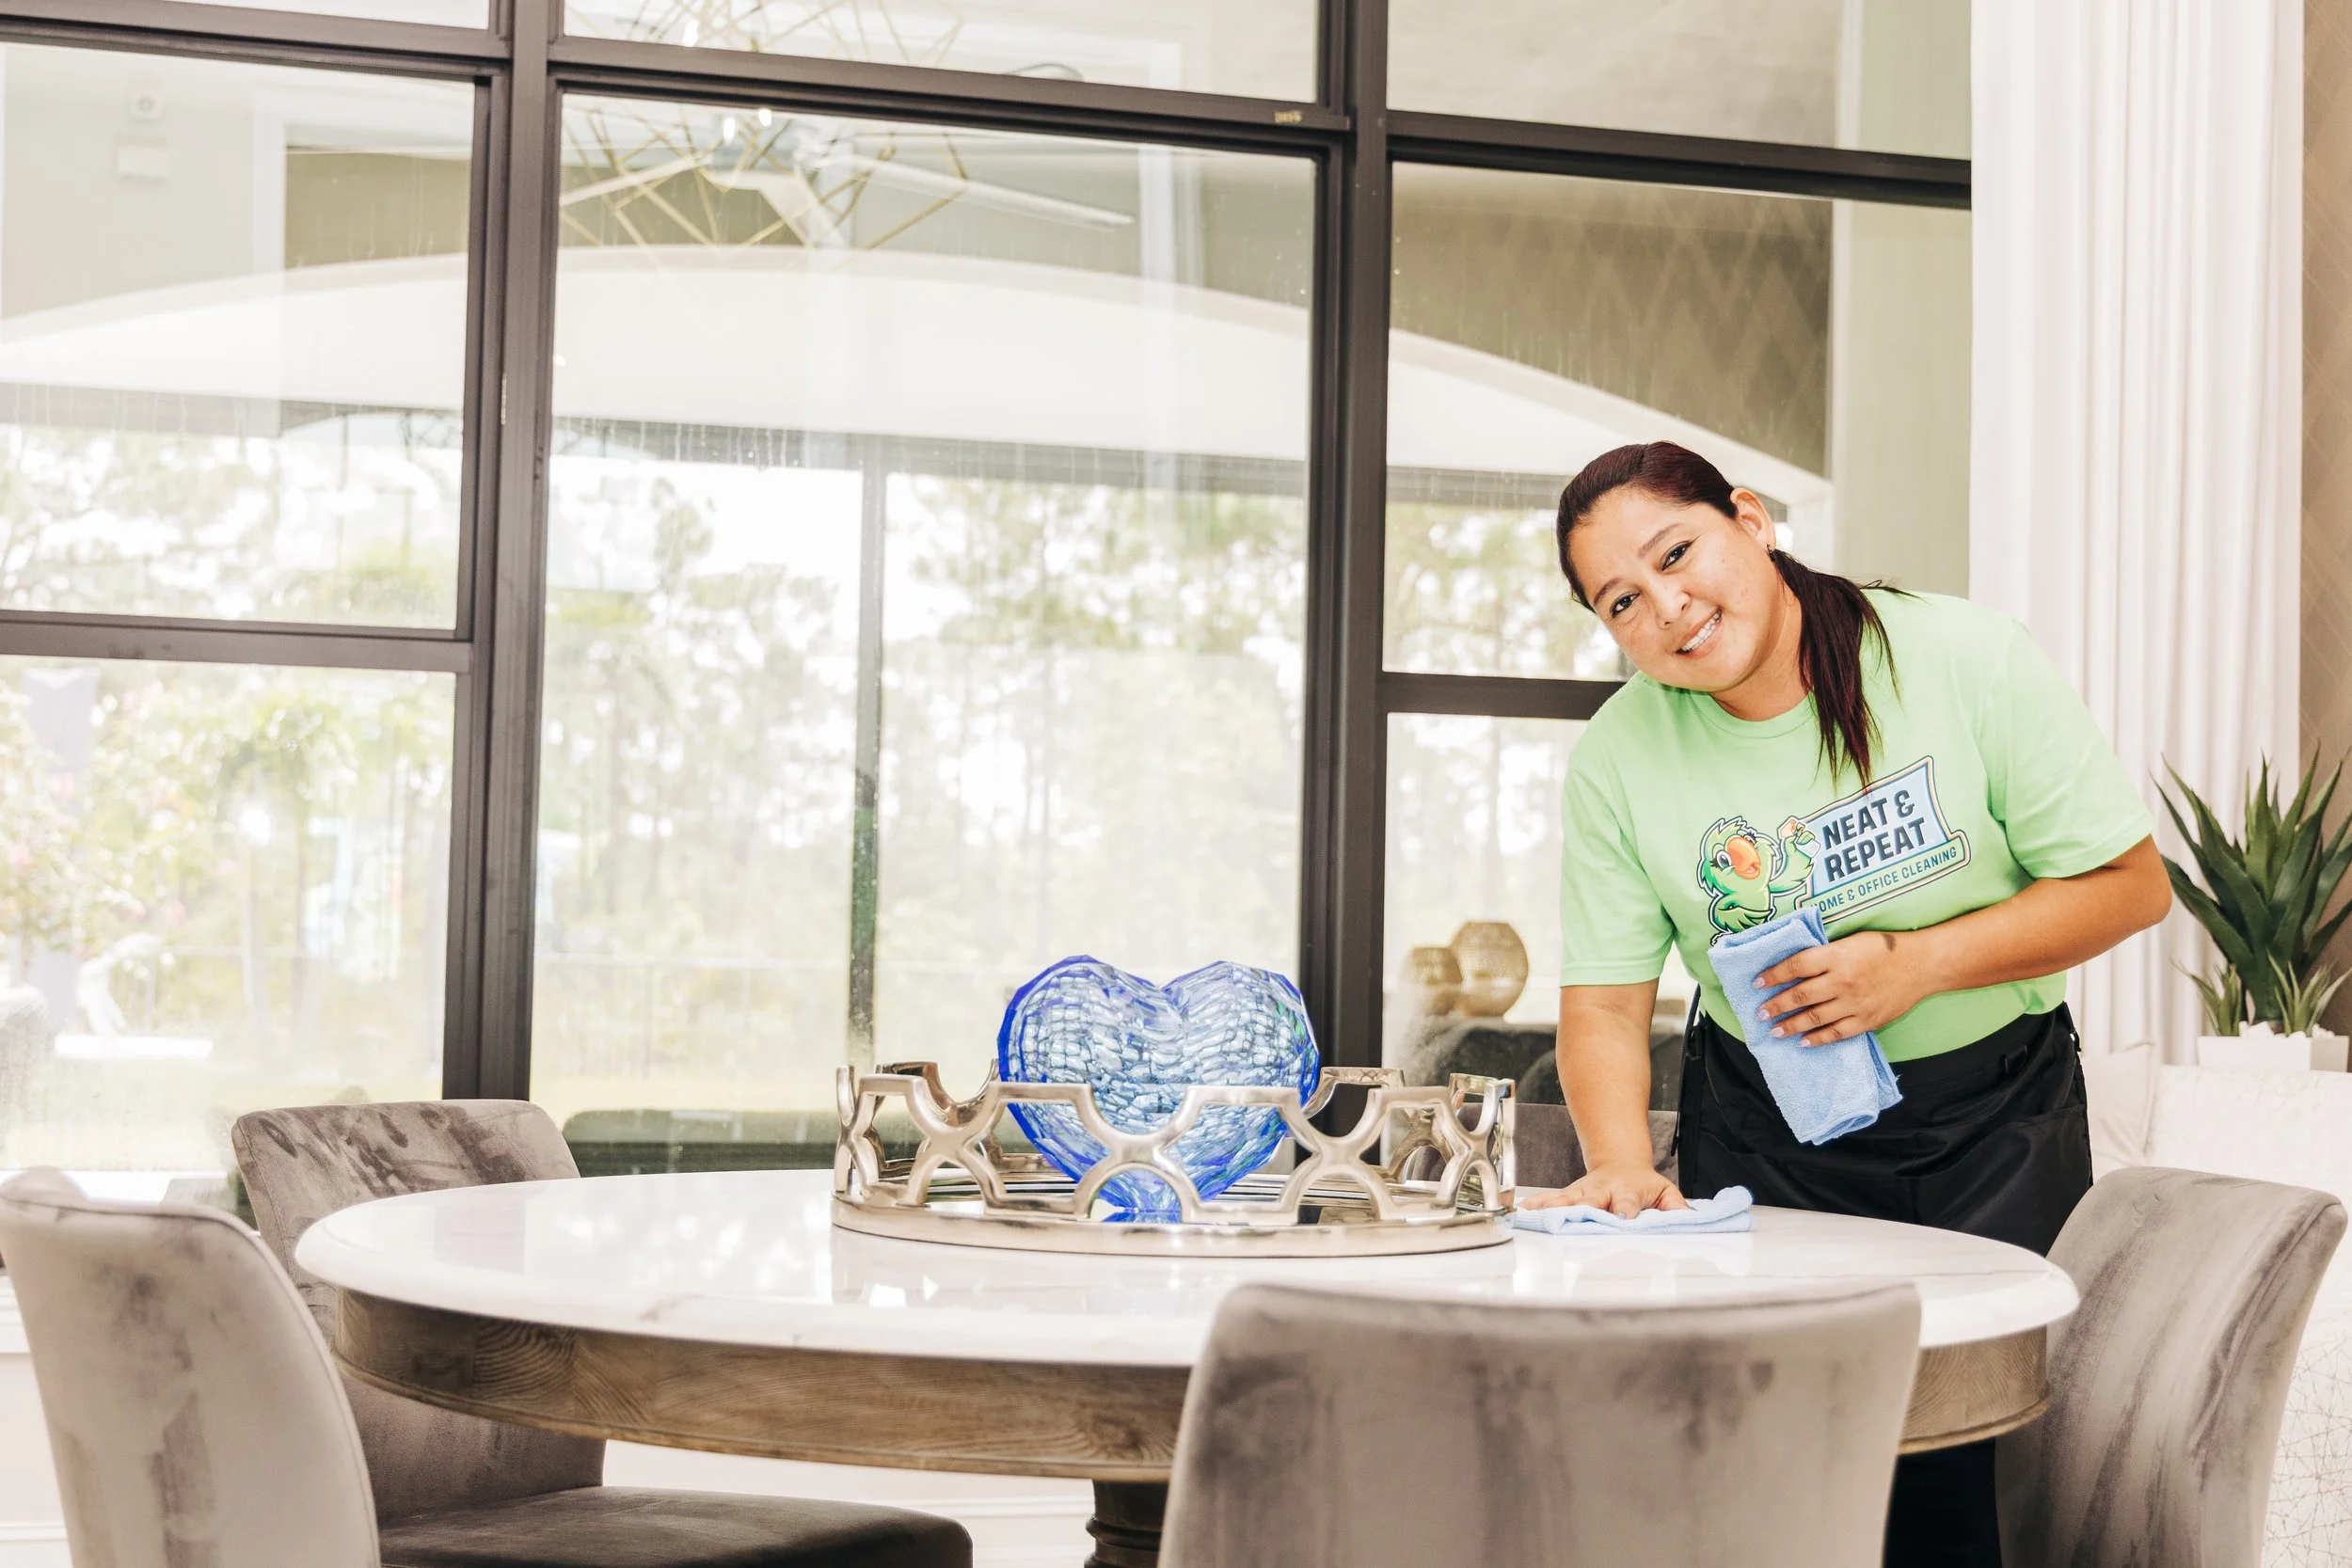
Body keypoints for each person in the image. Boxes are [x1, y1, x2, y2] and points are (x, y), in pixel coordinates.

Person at [1525, 441, 2169, 1567]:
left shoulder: (1962, 657)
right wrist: (1620, 1164)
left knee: (1975, 1483)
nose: (1666, 607)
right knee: (1776, 1478)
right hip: (1767, 1140)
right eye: (1621, 600)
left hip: (1996, 1125)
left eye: (1676, 553)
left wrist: (1916, 963)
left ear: (1749, 518)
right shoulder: (1619, 758)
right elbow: (1608, 1007)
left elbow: (2129, 886)